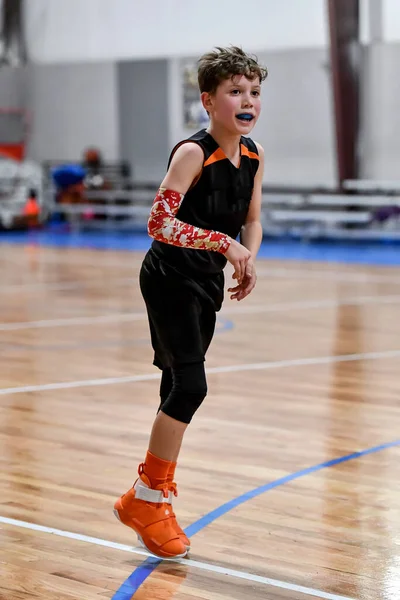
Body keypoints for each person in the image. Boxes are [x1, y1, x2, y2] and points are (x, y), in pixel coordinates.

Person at [114, 46, 268, 559]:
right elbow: (158, 223)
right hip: (168, 275)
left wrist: (249, 256)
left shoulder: (254, 155)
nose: (247, 101)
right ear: (208, 100)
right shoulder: (192, 153)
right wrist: (225, 245)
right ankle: (147, 498)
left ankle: (148, 500)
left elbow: (251, 218)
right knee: (191, 386)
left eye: (254, 92)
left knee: (174, 386)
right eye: (235, 92)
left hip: (204, 281)